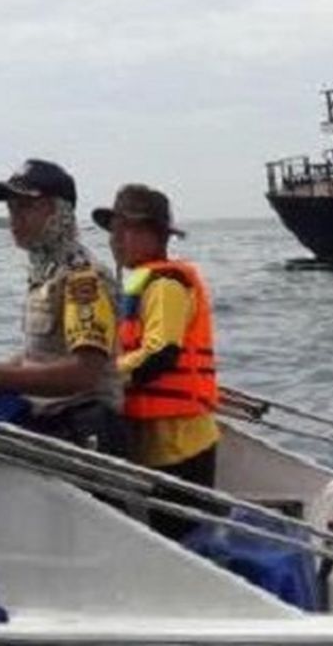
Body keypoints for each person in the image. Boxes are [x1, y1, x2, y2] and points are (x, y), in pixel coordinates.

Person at [0, 159, 125, 454]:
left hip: (88, 437)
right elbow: (39, 356)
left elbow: (84, 374)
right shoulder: (47, 274)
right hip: (55, 427)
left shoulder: (82, 277)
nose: (15, 220)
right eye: (11, 209)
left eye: (26, 208)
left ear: (60, 213)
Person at [92, 184, 220, 539]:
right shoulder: (140, 284)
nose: (116, 240)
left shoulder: (166, 284)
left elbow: (161, 352)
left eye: (126, 231)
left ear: (155, 236)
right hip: (156, 437)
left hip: (180, 441)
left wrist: (99, 376)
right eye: (114, 231)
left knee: (184, 537)